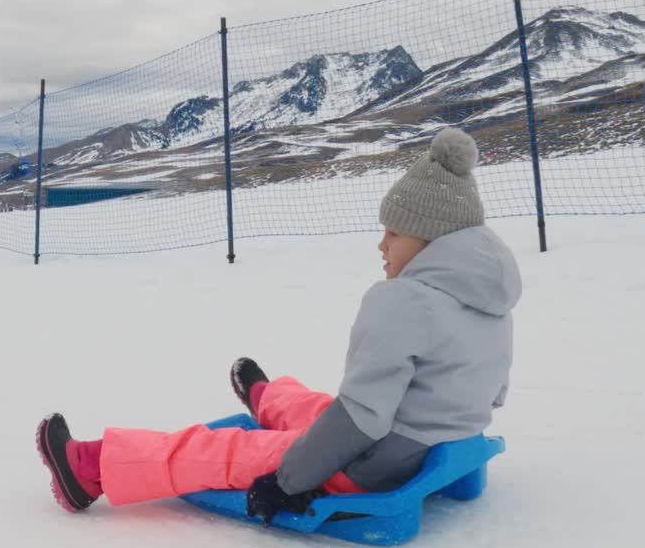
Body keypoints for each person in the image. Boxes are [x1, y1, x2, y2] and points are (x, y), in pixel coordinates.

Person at [35, 128, 522, 521]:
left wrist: (289, 481)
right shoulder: (487, 297)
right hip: (439, 445)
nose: (382, 246)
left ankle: (88, 470)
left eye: (393, 233)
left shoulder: (402, 301)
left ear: (432, 241)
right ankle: (269, 400)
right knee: (322, 409)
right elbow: (492, 392)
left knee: (223, 449)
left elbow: (360, 420)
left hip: (370, 466)